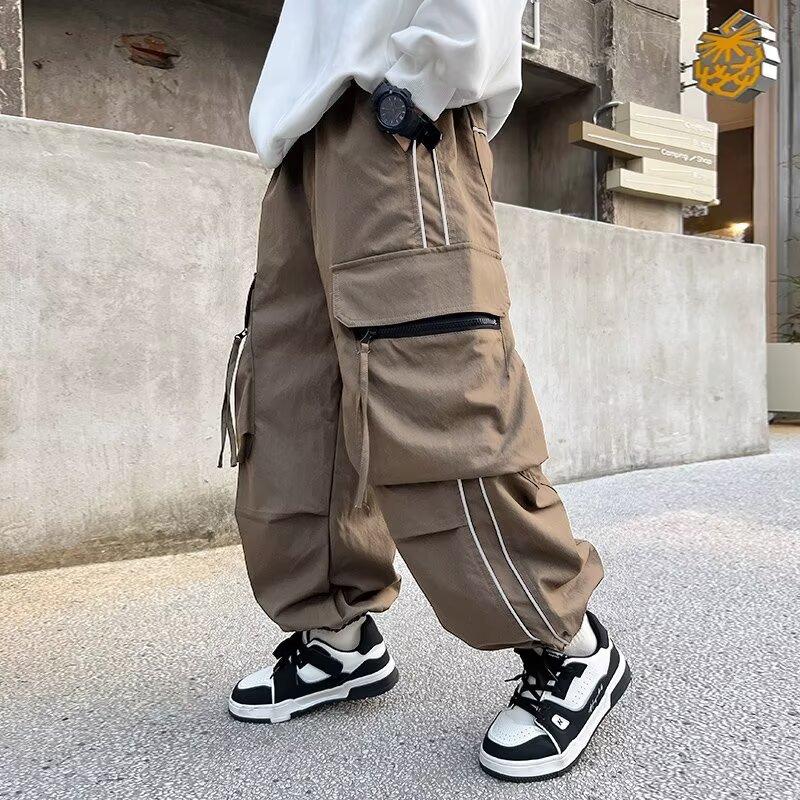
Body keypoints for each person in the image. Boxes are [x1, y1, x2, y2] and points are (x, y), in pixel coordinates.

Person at [218, 0, 630, 782]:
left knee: (430, 389)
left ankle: (571, 646)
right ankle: (337, 638)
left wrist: (424, 78)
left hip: (398, 120)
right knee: (294, 401)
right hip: (305, 145)